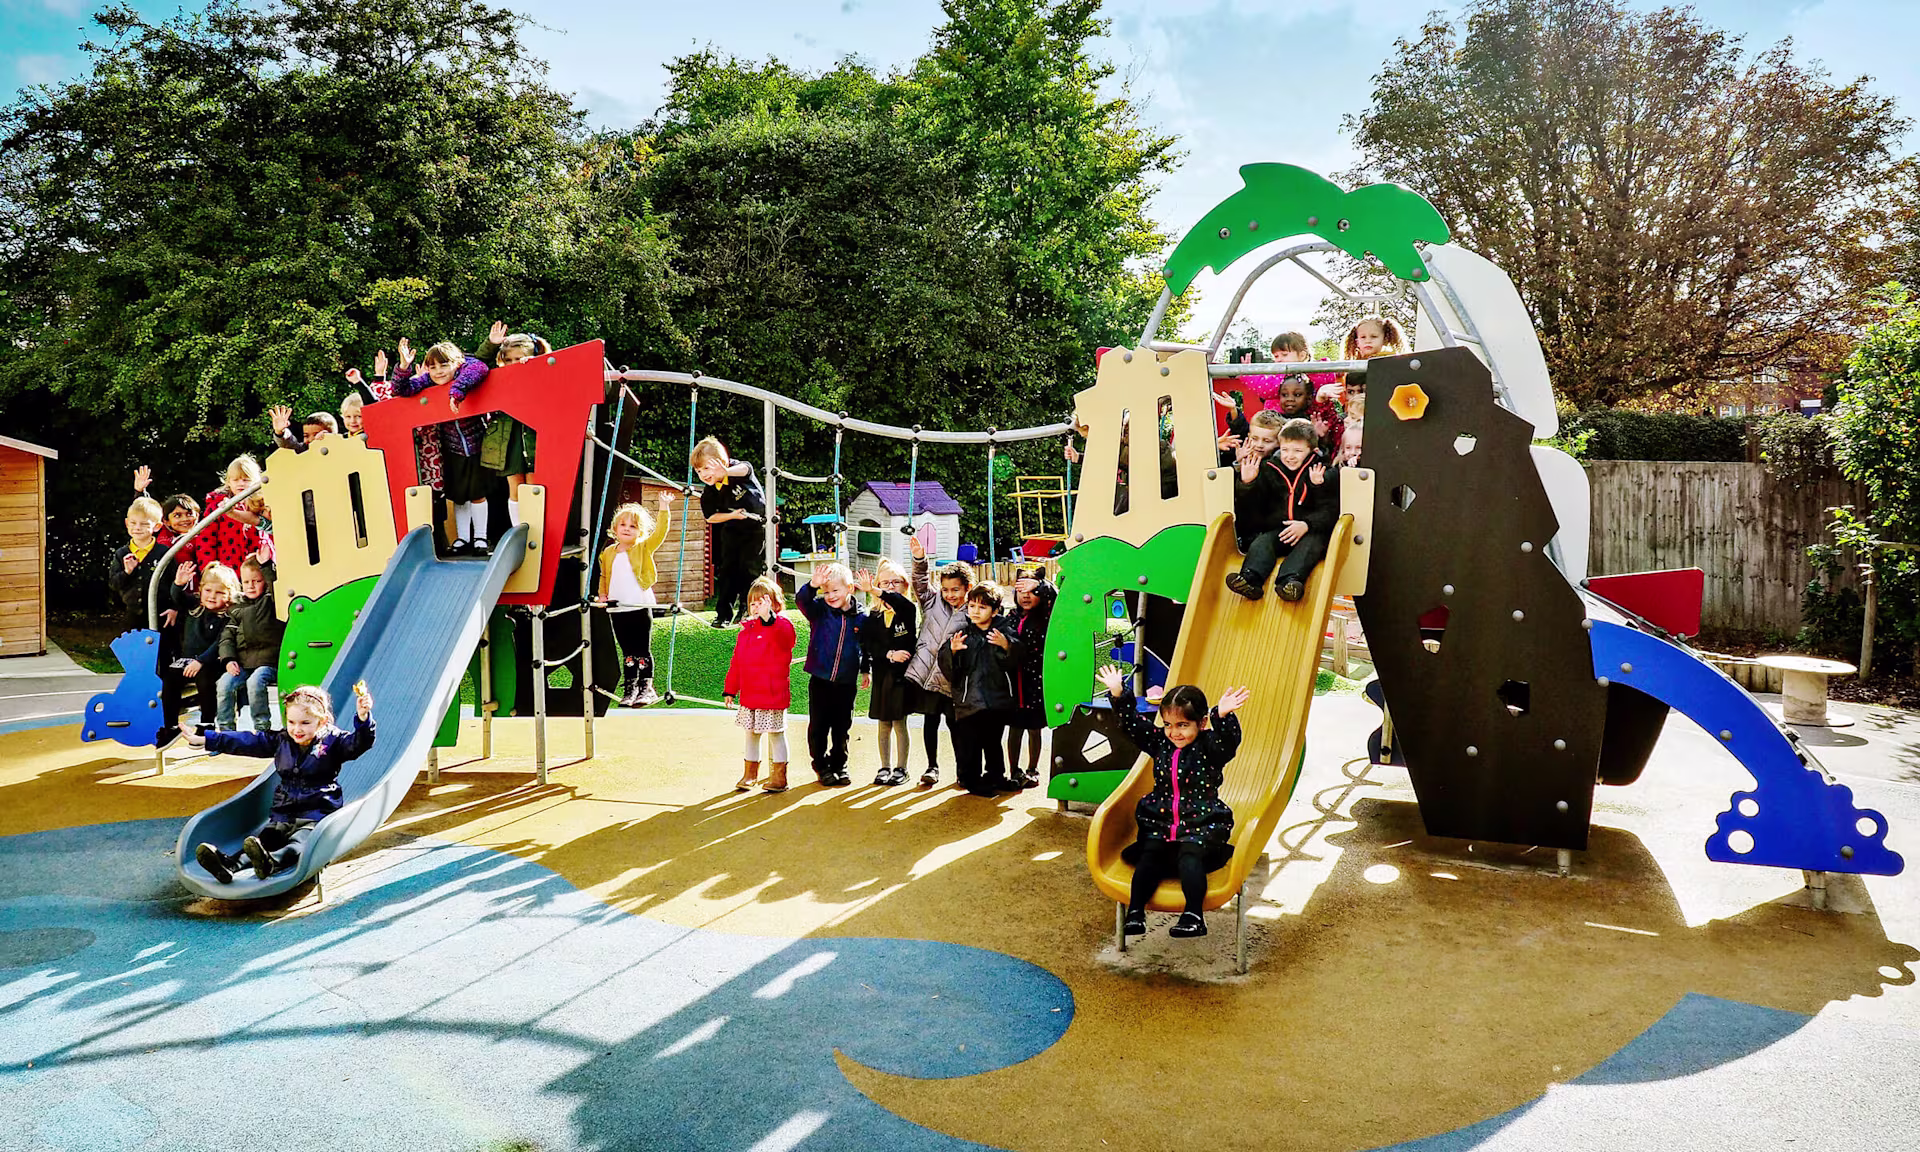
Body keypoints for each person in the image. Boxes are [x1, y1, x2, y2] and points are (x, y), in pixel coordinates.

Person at [1094, 666, 1250, 938]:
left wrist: (1222, 715)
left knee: (1190, 857)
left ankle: (1193, 916)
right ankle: (1136, 912)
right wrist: (1119, 694)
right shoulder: (1160, 743)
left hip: (1201, 824)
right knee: (1149, 856)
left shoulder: (1210, 747)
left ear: (1201, 723)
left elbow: (1229, 742)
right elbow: (1132, 725)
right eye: (1168, 724)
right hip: (1162, 822)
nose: (1174, 732)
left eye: (1183, 725)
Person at [186, 683, 376, 883]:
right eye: (291, 722)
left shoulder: (335, 741)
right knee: (264, 840)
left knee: (299, 843)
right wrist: (207, 740)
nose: (297, 729)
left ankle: (273, 862)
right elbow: (246, 741)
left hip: (317, 812)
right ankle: (229, 865)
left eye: (305, 723)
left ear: (322, 721)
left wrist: (363, 719)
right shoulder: (281, 740)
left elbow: (359, 744)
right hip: (284, 812)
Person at [392, 337, 494, 556]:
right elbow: (402, 389)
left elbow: (479, 367)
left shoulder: (464, 371)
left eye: (444, 365)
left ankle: (480, 537)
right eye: (433, 367)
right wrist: (404, 366)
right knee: (458, 495)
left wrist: (457, 391)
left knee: (477, 493)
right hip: (451, 447)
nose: (438, 371)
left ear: (456, 363)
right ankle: (463, 537)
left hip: (475, 444)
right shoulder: (428, 382)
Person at [1224, 413, 1333, 603]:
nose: (1290, 456)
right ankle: (1250, 579)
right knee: (1262, 542)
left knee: (1312, 545)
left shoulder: (1321, 472)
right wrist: (1247, 483)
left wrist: (1307, 524)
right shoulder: (1269, 469)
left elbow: (1331, 509)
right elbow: (1252, 509)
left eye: (1297, 451)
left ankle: (1290, 581)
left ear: (1312, 451)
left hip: (1309, 531)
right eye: (1285, 450)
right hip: (1279, 530)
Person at [937, 581, 1023, 796]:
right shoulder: (963, 634)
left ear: (994, 611)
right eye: (972, 606)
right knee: (970, 744)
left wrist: (1007, 645)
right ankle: (971, 780)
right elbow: (947, 666)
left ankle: (996, 776)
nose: (975, 611)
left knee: (993, 741)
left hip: (996, 700)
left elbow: (1017, 659)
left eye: (982, 607)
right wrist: (953, 651)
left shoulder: (1004, 632)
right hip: (969, 701)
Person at [594, 493, 674, 707]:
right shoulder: (608, 552)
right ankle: (630, 688)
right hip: (617, 607)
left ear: (640, 531)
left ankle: (646, 687)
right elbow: (604, 576)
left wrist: (664, 507)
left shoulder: (642, 548)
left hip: (638, 604)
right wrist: (603, 595)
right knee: (627, 651)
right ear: (615, 528)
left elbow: (660, 533)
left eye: (633, 526)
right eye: (623, 524)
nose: (627, 529)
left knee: (642, 648)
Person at [903, 534, 971, 788]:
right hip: (928, 676)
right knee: (930, 721)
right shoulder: (932, 602)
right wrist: (919, 559)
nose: (949, 594)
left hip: (953, 678)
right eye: (945, 589)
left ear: (967, 588)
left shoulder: (973, 610)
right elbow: (920, 581)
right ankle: (932, 766)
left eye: (955, 589)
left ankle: (962, 769)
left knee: (956, 725)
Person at [795, 562, 868, 788]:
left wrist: (866, 669)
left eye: (836, 590)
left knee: (842, 726)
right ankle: (820, 764)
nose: (830, 596)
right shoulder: (819, 610)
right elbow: (802, 601)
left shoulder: (861, 617)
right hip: (820, 679)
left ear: (850, 588)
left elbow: (866, 646)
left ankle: (839, 764)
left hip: (846, 681)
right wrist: (812, 585)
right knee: (819, 725)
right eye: (826, 591)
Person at [723, 575, 797, 793]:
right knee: (751, 734)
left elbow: (787, 639)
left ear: (775, 604)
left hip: (772, 694)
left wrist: (769, 617)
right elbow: (737, 662)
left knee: (776, 734)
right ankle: (750, 774)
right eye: (753, 603)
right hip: (750, 695)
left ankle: (779, 776)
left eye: (763, 602)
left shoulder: (782, 625)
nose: (757, 607)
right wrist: (730, 689)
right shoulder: (746, 631)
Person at [476, 321, 549, 527]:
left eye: (518, 359)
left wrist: (537, 366)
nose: (513, 364)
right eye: (508, 360)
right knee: (515, 488)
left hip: (534, 437)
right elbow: (476, 365)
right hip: (508, 438)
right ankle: (519, 530)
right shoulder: (498, 377)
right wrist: (491, 344)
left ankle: (537, 531)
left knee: (535, 487)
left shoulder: (543, 373)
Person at [691, 436, 766, 628]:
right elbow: (711, 517)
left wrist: (725, 471)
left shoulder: (736, 470)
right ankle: (723, 614)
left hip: (755, 528)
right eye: (699, 471)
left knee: (749, 569)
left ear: (722, 463)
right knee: (728, 570)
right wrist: (732, 516)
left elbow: (747, 468)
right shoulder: (709, 492)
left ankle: (747, 609)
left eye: (707, 468)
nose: (703, 474)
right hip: (732, 528)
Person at [159, 562, 239, 743]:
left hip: (212, 660)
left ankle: (207, 723)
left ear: (230, 595)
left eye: (219, 593)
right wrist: (178, 584)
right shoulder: (196, 605)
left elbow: (220, 643)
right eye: (208, 590)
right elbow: (177, 597)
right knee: (170, 677)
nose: (212, 596)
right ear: (201, 590)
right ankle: (170, 725)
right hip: (188, 659)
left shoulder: (229, 616)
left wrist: (201, 661)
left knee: (205, 679)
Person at [855, 560, 919, 786]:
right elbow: (869, 646)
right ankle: (884, 767)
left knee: (899, 722)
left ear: (905, 585)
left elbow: (897, 601)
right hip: (882, 675)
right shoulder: (873, 616)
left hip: (902, 677)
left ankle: (902, 768)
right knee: (883, 723)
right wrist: (870, 667)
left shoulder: (907, 610)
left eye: (896, 582)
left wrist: (874, 589)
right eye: (885, 582)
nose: (890, 587)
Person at [217, 554, 283, 732]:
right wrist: (228, 659)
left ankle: (262, 728)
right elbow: (227, 637)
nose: (251, 586)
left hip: (269, 662)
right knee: (224, 684)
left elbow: (275, 585)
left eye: (256, 581)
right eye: (246, 582)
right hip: (244, 662)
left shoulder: (270, 601)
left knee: (255, 682)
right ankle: (226, 730)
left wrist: (266, 565)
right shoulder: (236, 608)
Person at [1004, 569, 1057, 789]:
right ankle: (1014, 771)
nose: (1025, 595)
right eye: (1021, 590)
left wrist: (1039, 586)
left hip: (1036, 682)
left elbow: (1055, 594)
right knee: (1015, 728)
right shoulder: (1011, 617)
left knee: (1035, 728)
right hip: (1014, 683)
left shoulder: (1046, 617)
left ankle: (1033, 769)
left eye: (1032, 591)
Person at [195, 456, 266, 574]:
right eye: (236, 480)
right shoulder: (218, 507)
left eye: (246, 480)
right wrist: (209, 569)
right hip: (228, 570)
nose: (241, 484)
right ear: (228, 482)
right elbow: (206, 539)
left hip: (258, 566)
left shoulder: (262, 505)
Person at [109, 497, 166, 633]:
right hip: (131, 616)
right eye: (133, 523)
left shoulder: (164, 553)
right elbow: (113, 584)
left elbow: (172, 583)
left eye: (144, 524)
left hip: (161, 615)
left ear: (157, 526)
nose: (137, 528)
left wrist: (173, 608)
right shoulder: (121, 553)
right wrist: (127, 572)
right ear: (127, 523)